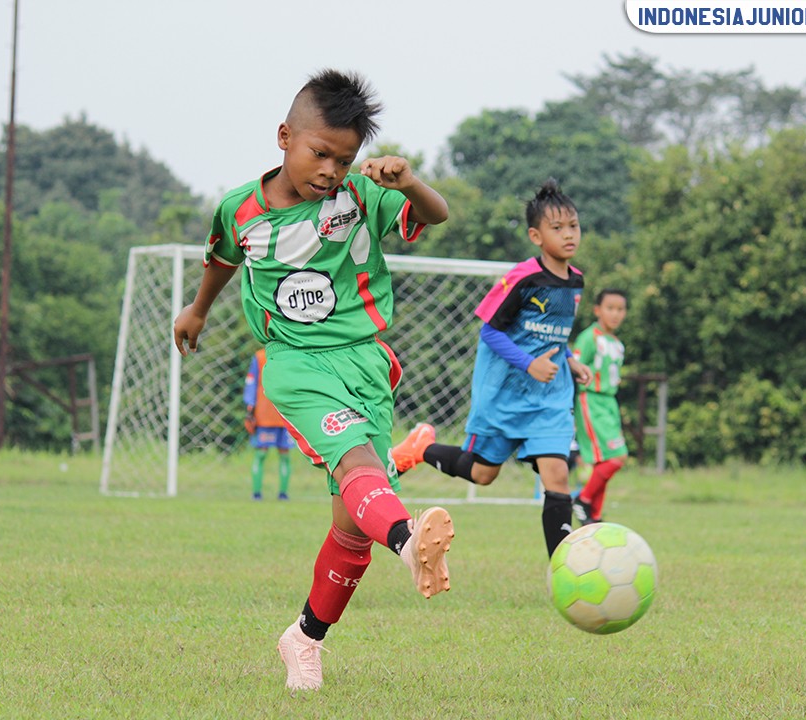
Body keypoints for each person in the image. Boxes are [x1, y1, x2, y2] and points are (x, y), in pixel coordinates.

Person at [172, 69, 452, 692]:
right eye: (318, 153)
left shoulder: (360, 195)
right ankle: (409, 543)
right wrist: (197, 309)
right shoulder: (238, 207)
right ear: (284, 137)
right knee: (357, 466)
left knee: (351, 531)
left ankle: (303, 639)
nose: (329, 169)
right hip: (295, 363)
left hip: (365, 361)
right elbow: (223, 258)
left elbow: (436, 214)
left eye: (342, 158)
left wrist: (408, 181)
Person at [393, 179, 591, 558]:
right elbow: (490, 332)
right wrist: (529, 363)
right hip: (505, 394)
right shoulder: (523, 278)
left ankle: (565, 570)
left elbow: (553, 335)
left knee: (558, 475)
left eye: (574, 226)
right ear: (535, 235)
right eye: (557, 228)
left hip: (549, 398)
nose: (568, 235)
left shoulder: (576, 281)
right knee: (483, 474)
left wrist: (569, 360)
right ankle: (422, 448)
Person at [571, 289, 629, 526]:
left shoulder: (617, 343)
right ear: (597, 310)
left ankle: (594, 516)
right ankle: (582, 501)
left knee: (603, 462)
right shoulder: (589, 337)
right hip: (591, 400)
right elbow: (573, 365)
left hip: (609, 403)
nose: (615, 314)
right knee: (617, 457)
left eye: (620, 309)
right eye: (610, 308)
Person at [244, 348, 295, 500]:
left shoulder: (288, 354)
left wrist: (250, 405)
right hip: (273, 413)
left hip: (280, 414)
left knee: (275, 454)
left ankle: (273, 494)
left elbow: (250, 383)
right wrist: (250, 406)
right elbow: (251, 382)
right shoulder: (261, 356)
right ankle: (263, 493)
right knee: (267, 454)